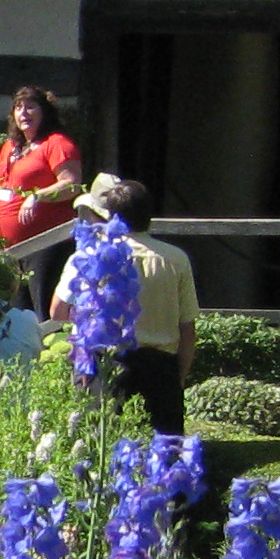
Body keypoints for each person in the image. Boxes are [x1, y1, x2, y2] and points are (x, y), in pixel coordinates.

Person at [73, 173, 199, 433]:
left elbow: (84, 317)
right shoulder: (176, 259)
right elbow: (188, 329)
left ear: (112, 216)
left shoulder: (99, 257)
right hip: (161, 366)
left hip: (111, 363)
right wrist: (179, 378)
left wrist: (83, 369)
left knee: (106, 453)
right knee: (166, 452)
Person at [0, 84, 83, 301]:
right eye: (18, 108)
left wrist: (37, 196)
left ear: (44, 112)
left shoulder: (57, 144)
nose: (23, 113)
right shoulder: (10, 147)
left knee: (42, 314)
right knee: (18, 316)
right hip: (12, 251)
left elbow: (72, 184)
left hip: (46, 245)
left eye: (30, 107)